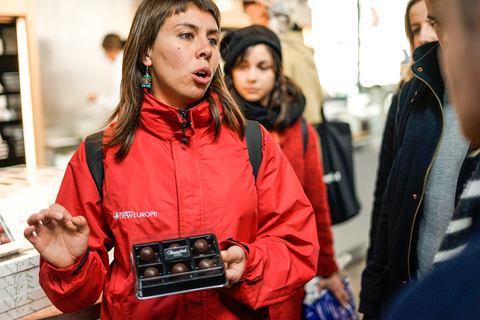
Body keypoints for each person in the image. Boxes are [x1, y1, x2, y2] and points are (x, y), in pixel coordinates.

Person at [23, 1, 320, 319]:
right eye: (187, 34)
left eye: (212, 39)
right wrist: (71, 263)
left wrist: (250, 262)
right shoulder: (100, 155)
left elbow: (297, 244)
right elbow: (78, 296)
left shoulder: (252, 143)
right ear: (146, 52)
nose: (205, 49)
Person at [220, 25, 350, 320]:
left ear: (277, 70)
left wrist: (327, 268)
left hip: (284, 273)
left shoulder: (299, 129)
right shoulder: (221, 126)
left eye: (263, 67)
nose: (252, 76)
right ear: (230, 72)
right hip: (232, 273)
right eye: (243, 67)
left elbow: (316, 206)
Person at [359, 0, 479, 318]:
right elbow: (389, 202)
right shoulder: (414, 93)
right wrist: (373, 299)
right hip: (414, 289)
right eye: (428, 23)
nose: (434, 37)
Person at [365, 0, 438, 263]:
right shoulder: (405, 96)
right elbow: (386, 188)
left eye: (433, 23)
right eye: (415, 29)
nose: (424, 37)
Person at [242, 0, 324, 124]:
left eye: (249, 13)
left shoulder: (277, 54)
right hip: (310, 127)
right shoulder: (302, 48)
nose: (250, 19)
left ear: (262, 8)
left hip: (292, 130)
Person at [88, 34, 125, 112]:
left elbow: (117, 102)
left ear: (109, 49)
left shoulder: (119, 63)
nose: (106, 56)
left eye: (105, 52)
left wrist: (98, 98)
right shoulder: (125, 58)